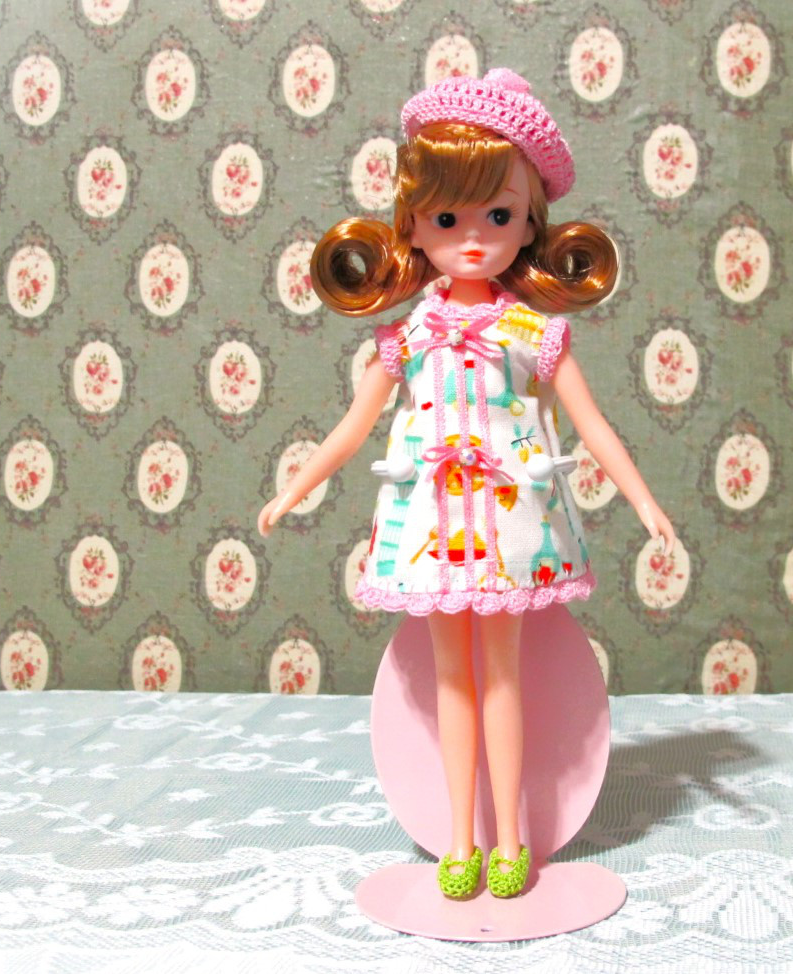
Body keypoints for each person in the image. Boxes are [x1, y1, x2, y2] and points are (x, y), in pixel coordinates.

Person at [257, 68, 674, 899]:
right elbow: (352, 428)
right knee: (454, 679)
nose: (474, 238)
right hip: (433, 526)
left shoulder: (532, 331)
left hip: (512, 526)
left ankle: (510, 836)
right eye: (448, 218)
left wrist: (644, 499)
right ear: (414, 224)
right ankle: (460, 839)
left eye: (499, 216)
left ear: (531, 223)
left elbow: (591, 424)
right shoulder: (408, 334)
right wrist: (293, 489)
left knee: (505, 677)